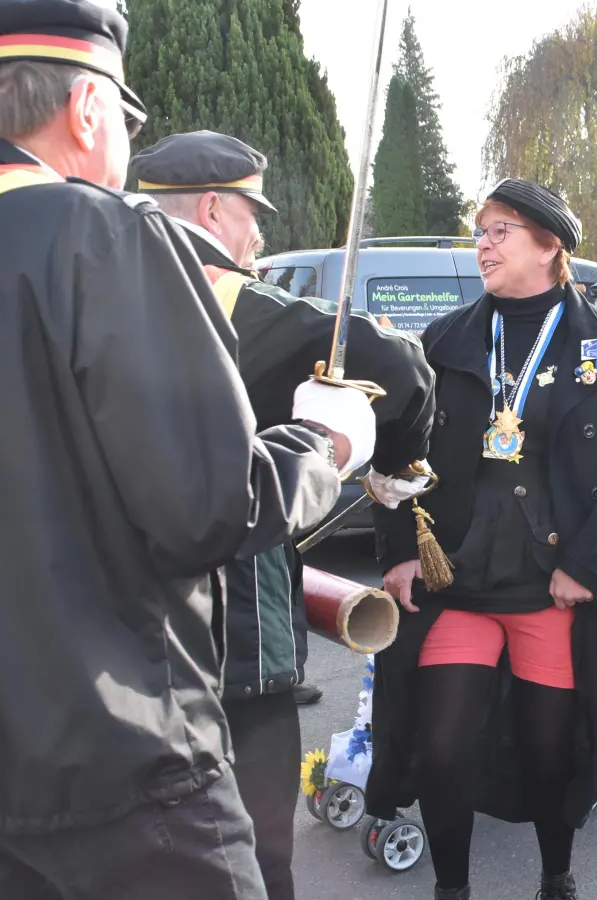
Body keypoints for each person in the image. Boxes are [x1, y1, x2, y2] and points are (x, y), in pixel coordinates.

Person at [0, 2, 376, 898]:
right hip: (137, 783)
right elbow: (212, 506)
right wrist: (326, 438)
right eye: (124, 124)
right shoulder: (106, 236)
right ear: (87, 110)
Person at [128, 130, 436, 900]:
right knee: (256, 853)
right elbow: (401, 368)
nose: (259, 234)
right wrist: (394, 466)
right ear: (211, 209)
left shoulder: (78, 287)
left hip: (109, 639)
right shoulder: (232, 300)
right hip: (234, 634)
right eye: (250, 213)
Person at [368, 180, 597, 900]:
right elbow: (392, 454)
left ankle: (555, 873)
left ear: (550, 245)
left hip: (552, 590)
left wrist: (589, 564)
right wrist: (399, 550)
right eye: (480, 230)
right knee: (442, 747)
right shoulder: (446, 339)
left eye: (501, 230)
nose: (483, 244)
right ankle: (452, 888)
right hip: (460, 587)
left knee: (550, 751)